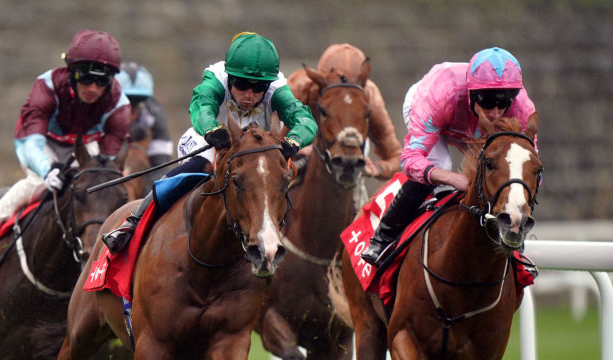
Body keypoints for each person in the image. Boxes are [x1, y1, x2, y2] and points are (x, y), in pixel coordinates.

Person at [101, 31, 318, 254]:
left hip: (253, 151)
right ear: (230, 76)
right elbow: (201, 106)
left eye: (258, 88)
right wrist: (212, 129)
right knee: (197, 167)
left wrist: (294, 140)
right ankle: (132, 223)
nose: (249, 94)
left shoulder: (277, 88)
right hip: (209, 141)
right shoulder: (216, 77)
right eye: (241, 84)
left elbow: (305, 120)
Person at [360, 46, 539, 267]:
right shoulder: (439, 95)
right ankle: (382, 240)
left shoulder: (522, 108)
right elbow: (410, 159)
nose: (495, 113)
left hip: (471, 126)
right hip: (434, 108)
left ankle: (513, 241)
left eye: (503, 103)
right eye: (486, 102)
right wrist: (453, 179)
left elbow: (532, 167)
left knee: (504, 169)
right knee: (440, 163)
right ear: (472, 93)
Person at [0, 30, 131, 252]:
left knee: (98, 186)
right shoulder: (47, 86)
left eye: (102, 81)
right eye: (86, 77)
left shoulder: (120, 104)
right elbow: (32, 141)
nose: (93, 88)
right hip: (42, 143)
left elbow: (109, 157)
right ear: (71, 72)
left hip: (83, 146)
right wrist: (46, 170)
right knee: (39, 184)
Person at [287, 43, 402, 181]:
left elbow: (397, 158)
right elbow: (274, 145)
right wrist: (297, 145)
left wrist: (376, 168)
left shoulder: (370, 97)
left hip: (354, 161)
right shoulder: (300, 89)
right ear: (320, 83)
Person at [115, 61, 174, 179]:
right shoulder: (100, 113)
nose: (130, 109)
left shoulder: (155, 116)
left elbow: (160, 165)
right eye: (124, 101)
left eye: (136, 102)